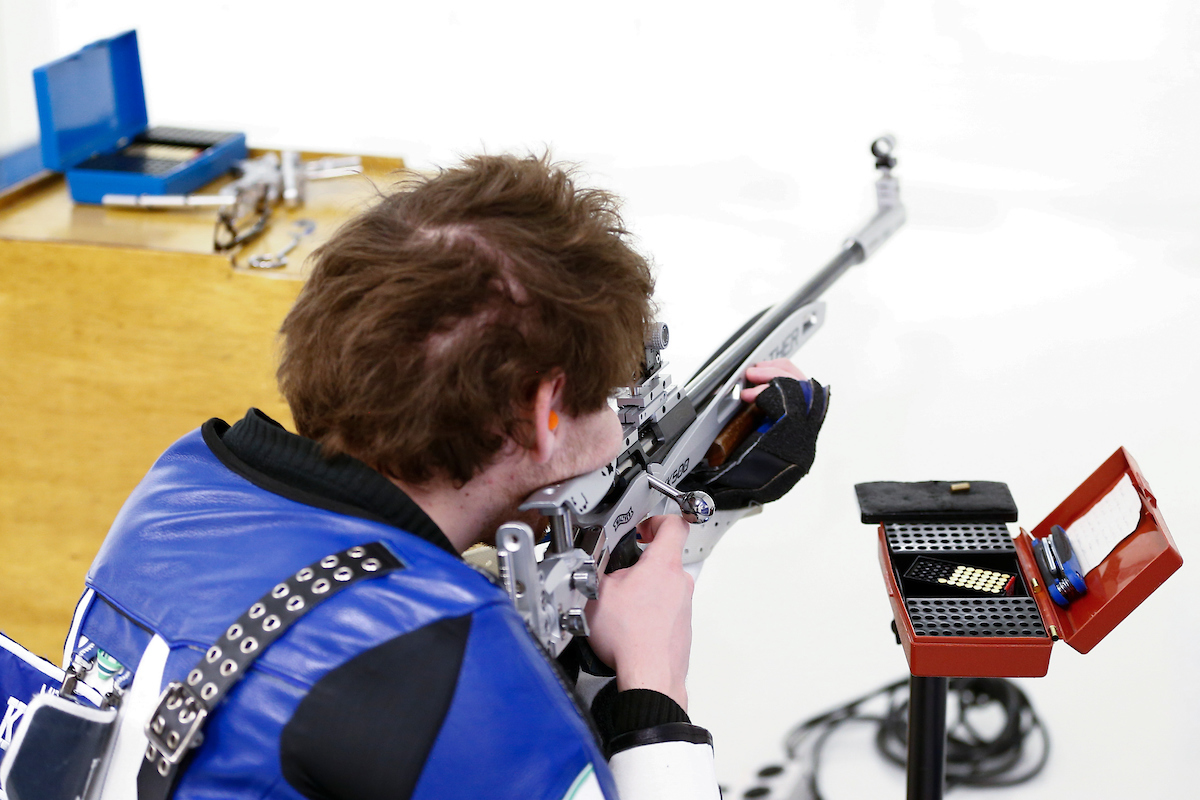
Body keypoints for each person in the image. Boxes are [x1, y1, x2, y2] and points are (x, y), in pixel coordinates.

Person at [58, 154, 826, 800]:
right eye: (612, 398)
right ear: (544, 409)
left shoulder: (181, 488)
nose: (624, 426)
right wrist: (654, 684)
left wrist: (711, 494)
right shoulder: (460, 667)